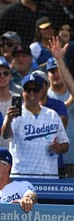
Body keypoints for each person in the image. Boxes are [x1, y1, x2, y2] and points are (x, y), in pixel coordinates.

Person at [2, 73, 69, 178]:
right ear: (23, 91)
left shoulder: (52, 114)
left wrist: (59, 147)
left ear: (42, 90)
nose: (31, 93)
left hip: (48, 175)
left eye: (36, 89)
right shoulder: (14, 114)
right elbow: (5, 135)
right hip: (22, 176)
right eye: (28, 89)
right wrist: (9, 120)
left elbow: (65, 144)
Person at [47, 36, 74, 178]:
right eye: (52, 71)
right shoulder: (43, 96)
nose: (56, 74)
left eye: (58, 71)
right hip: (54, 159)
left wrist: (59, 61)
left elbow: (71, 87)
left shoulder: (71, 93)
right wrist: (58, 60)